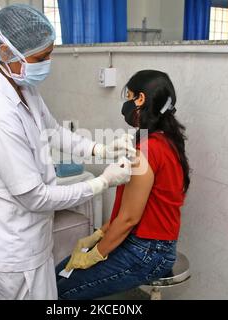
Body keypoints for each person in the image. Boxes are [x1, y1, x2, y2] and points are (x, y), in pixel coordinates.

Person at [0, 4, 135, 300]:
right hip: (5, 249)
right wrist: (101, 183)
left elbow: (52, 131)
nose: (48, 62)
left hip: (30, 239)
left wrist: (99, 148)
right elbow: (35, 197)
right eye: (41, 57)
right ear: (5, 52)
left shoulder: (22, 86)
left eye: (49, 53)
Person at [55, 70, 191, 300]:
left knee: (61, 290)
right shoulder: (163, 139)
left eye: (128, 96)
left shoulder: (148, 151)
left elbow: (129, 218)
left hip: (148, 252)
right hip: (137, 242)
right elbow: (130, 209)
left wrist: (94, 255)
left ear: (140, 99)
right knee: (56, 276)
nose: (125, 104)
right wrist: (99, 234)